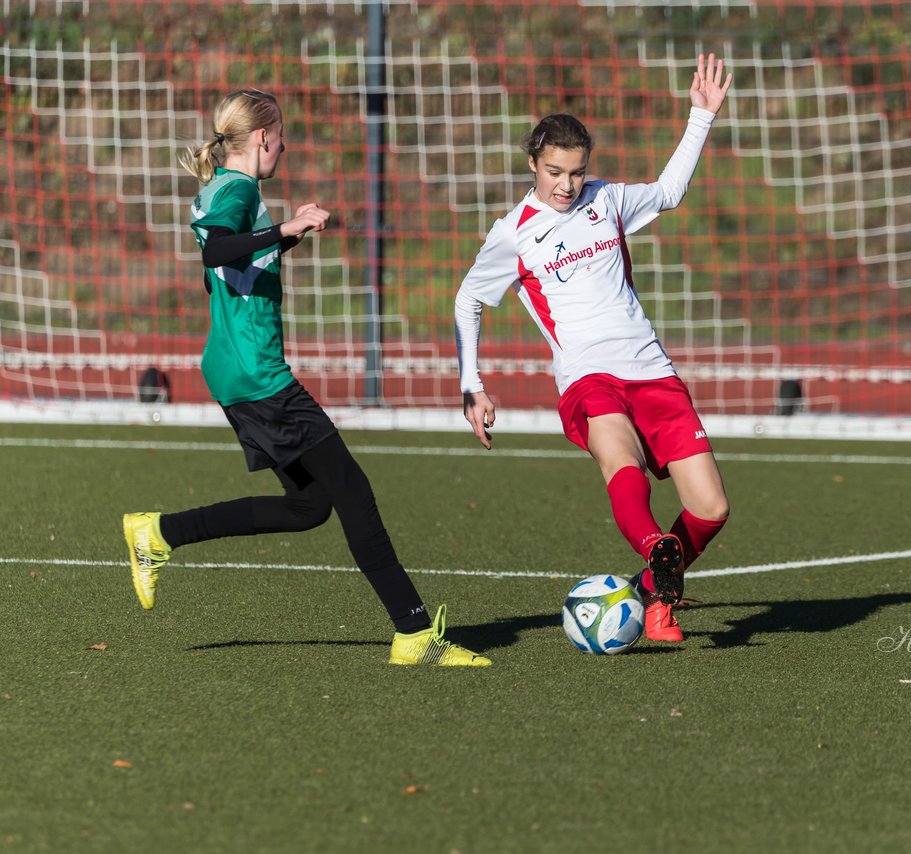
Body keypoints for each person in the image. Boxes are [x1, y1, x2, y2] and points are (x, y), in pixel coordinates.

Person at [124, 88, 489, 667]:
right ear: (263, 137)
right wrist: (286, 226)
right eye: (282, 136)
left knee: (309, 506)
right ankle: (415, 633)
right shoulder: (239, 188)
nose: (286, 146)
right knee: (353, 491)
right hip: (257, 371)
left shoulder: (221, 187)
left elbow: (240, 263)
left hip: (234, 367)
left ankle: (159, 533)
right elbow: (218, 253)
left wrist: (286, 236)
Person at [454, 55, 733, 643]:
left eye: (577, 172)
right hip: (587, 376)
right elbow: (468, 301)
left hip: (652, 369)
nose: (567, 185)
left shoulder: (606, 200)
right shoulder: (513, 233)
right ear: (534, 163)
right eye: (555, 171)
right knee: (620, 461)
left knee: (710, 508)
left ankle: (655, 593)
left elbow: (669, 192)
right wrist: (471, 384)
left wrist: (700, 116)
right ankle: (657, 548)